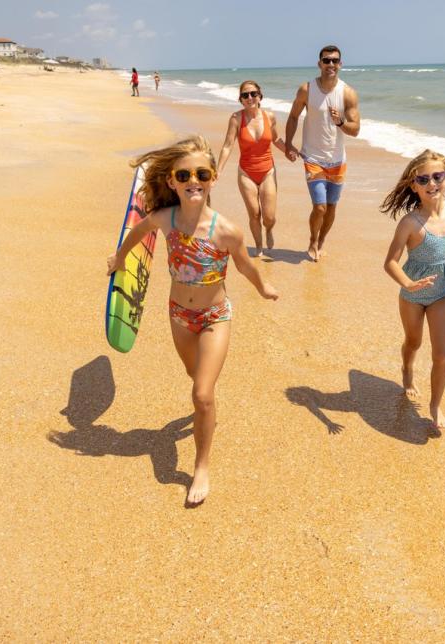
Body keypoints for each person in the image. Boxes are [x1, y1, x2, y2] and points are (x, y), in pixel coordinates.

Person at [106, 135, 279, 505]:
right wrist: (119, 258)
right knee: (195, 377)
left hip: (215, 316)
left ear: (213, 178)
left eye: (201, 174)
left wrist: (263, 287)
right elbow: (137, 232)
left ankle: (201, 467)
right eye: (184, 176)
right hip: (179, 316)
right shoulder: (165, 219)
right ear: (172, 182)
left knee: (201, 394)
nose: (193, 181)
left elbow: (245, 266)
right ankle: (206, 409)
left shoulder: (227, 230)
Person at [380, 149, 445, 432]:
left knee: (441, 354)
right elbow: (390, 262)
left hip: (443, 293)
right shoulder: (410, 223)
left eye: (437, 176)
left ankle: (435, 405)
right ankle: (407, 369)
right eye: (423, 179)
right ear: (413, 185)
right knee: (413, 342)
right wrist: (408, 283)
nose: (432, 183)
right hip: (413, 295)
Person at [285, 45, 360, 261]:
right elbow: (293, 116)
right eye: (326, 60)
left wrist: (340, 122)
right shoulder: (307, 90)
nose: (330, 64)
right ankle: (312, 240)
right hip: (313, 157)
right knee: (319, 207)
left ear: (340, 64)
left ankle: (321, 241)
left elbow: (355, 129)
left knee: (331, 207)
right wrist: (289, 144)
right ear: (319, 64)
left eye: (335, 60)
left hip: (337, 160)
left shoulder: (347, 93)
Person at [216, 80, 291, 257]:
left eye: (253, 94)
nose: (249, 97)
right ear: (241, 99)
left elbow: (276, 139)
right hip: (246, 173)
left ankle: (269, 229)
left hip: (268, 171)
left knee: (269, 216)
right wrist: (218, 170)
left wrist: (289, 151)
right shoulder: (236, 119)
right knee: (254, 214)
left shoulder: (269, 116)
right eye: (245, 95)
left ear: (260, 96)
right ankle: (258, 246)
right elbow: (227, 145)